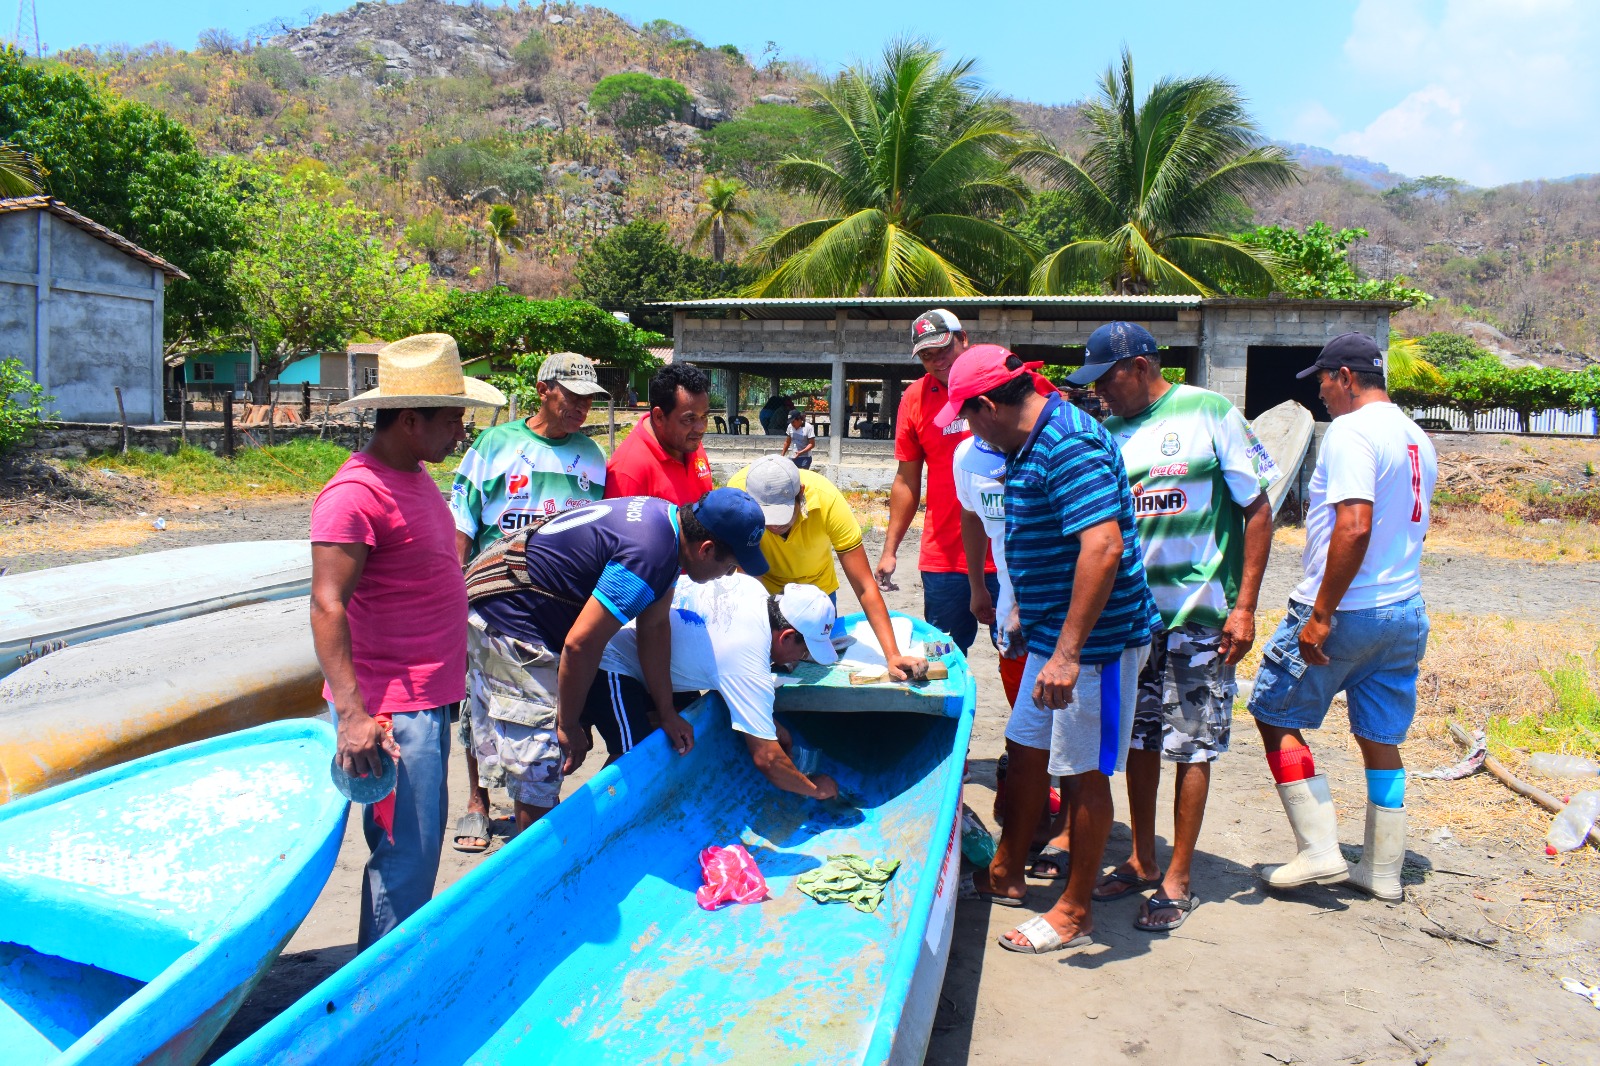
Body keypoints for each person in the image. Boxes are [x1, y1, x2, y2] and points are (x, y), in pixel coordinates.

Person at [943, 344, 1159, 955]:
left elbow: (1103, 547)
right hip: (1048, 630)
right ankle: (1009, 871)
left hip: (1094, 643)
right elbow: (1042, 541)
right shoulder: (1027, 443)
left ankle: (1075, 909)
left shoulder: (1067, 443)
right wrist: (1021, 608)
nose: (968, 431)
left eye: (967, 417)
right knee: (1026, 745)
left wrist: (1067, 653)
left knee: (1084, 767)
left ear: (988, 405)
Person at [1071, 322, 1277, 933]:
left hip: (1201, 614)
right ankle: (1140, 856)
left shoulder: (1209, 411)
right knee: (1138, 740)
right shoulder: (1106, 434)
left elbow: (1257, 509)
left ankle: (1179, 875)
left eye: (1106, 378)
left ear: (1137, 366)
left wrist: (1244, 606)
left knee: (1192, 743)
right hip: (1133, 619)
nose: (1101, 392)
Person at [309, 333, 506, 949]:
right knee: (406, 861)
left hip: (425, 698)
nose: (461, 432)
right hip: (393, 711)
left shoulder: (415, 475)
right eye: (452, 420)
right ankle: (380, 1006)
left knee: (413, 856)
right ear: (411, 419)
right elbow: (327, 603)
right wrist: (353, 714)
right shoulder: (354, 495)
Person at [1249, 333, 1437, 904]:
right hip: (1404, 607)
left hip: (1347, 607)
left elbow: (1354, 527)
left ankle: (1318, 849)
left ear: (1347, 377)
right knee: (1380, 736)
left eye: (1324, 381)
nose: (1323, 394)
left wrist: (1322, 613)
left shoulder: (1353, 432)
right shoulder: (1415, 436)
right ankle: (1381, 870)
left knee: (1272, 711)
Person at [461, 489, 769, 831]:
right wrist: (567, 724)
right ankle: (545, 872)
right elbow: (580, 645)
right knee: (541, 759)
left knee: (548, 741)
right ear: (706, 549)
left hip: (510, 580)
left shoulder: (668, 525)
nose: (728, 575)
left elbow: (654, 626)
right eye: (728, 566)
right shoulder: (648, 555)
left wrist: (666, 712)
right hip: (506, 610)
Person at [447, 352, 610, 852]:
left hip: (559, 607)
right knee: (481, 702)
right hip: (493, 596)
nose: (580, 408)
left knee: (543, 709)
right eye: (571, 397)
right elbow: (462, 519)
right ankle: (477, 801)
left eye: (588, 400)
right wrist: (454, 593)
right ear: (543, 390)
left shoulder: (592, 456)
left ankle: (532, 805)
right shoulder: (495, 445)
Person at [585, 573, 843, 798]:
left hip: (650, 653)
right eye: (805, 651)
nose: (801, 659)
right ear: (787, 636)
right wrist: (815, 789)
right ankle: (578, 832)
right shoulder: (747, 658)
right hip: (610, 656)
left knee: (673, 739)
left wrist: (775, 729)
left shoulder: (751, 588)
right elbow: (767, 759)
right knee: (633, 758)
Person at [728, 455, 927, 682]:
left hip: (816, 594)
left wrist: (892, 655)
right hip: (764, 590)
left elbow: (864, 586)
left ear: (800, 493)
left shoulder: (827, 501)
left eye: (782, 515)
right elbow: (743, 583)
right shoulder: (736, 495)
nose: (774, 526)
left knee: (818, 671)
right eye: (767, 518)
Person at [875, 309, 997, 653]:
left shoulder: (1001, 380)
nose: (937, 361)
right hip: (944, 556)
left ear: (964, 339)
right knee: (941, 654)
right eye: (927, 356)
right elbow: (907, 481)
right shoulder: (914, 398)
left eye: (943, 349)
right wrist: (890, 550)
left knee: (1020, 654)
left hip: (1007, 551)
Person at [605, 363, 715, 505]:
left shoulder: (689, 443)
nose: (701, 428)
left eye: (704, 416)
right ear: (659, 416)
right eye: (689, 419)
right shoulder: (629, 472)